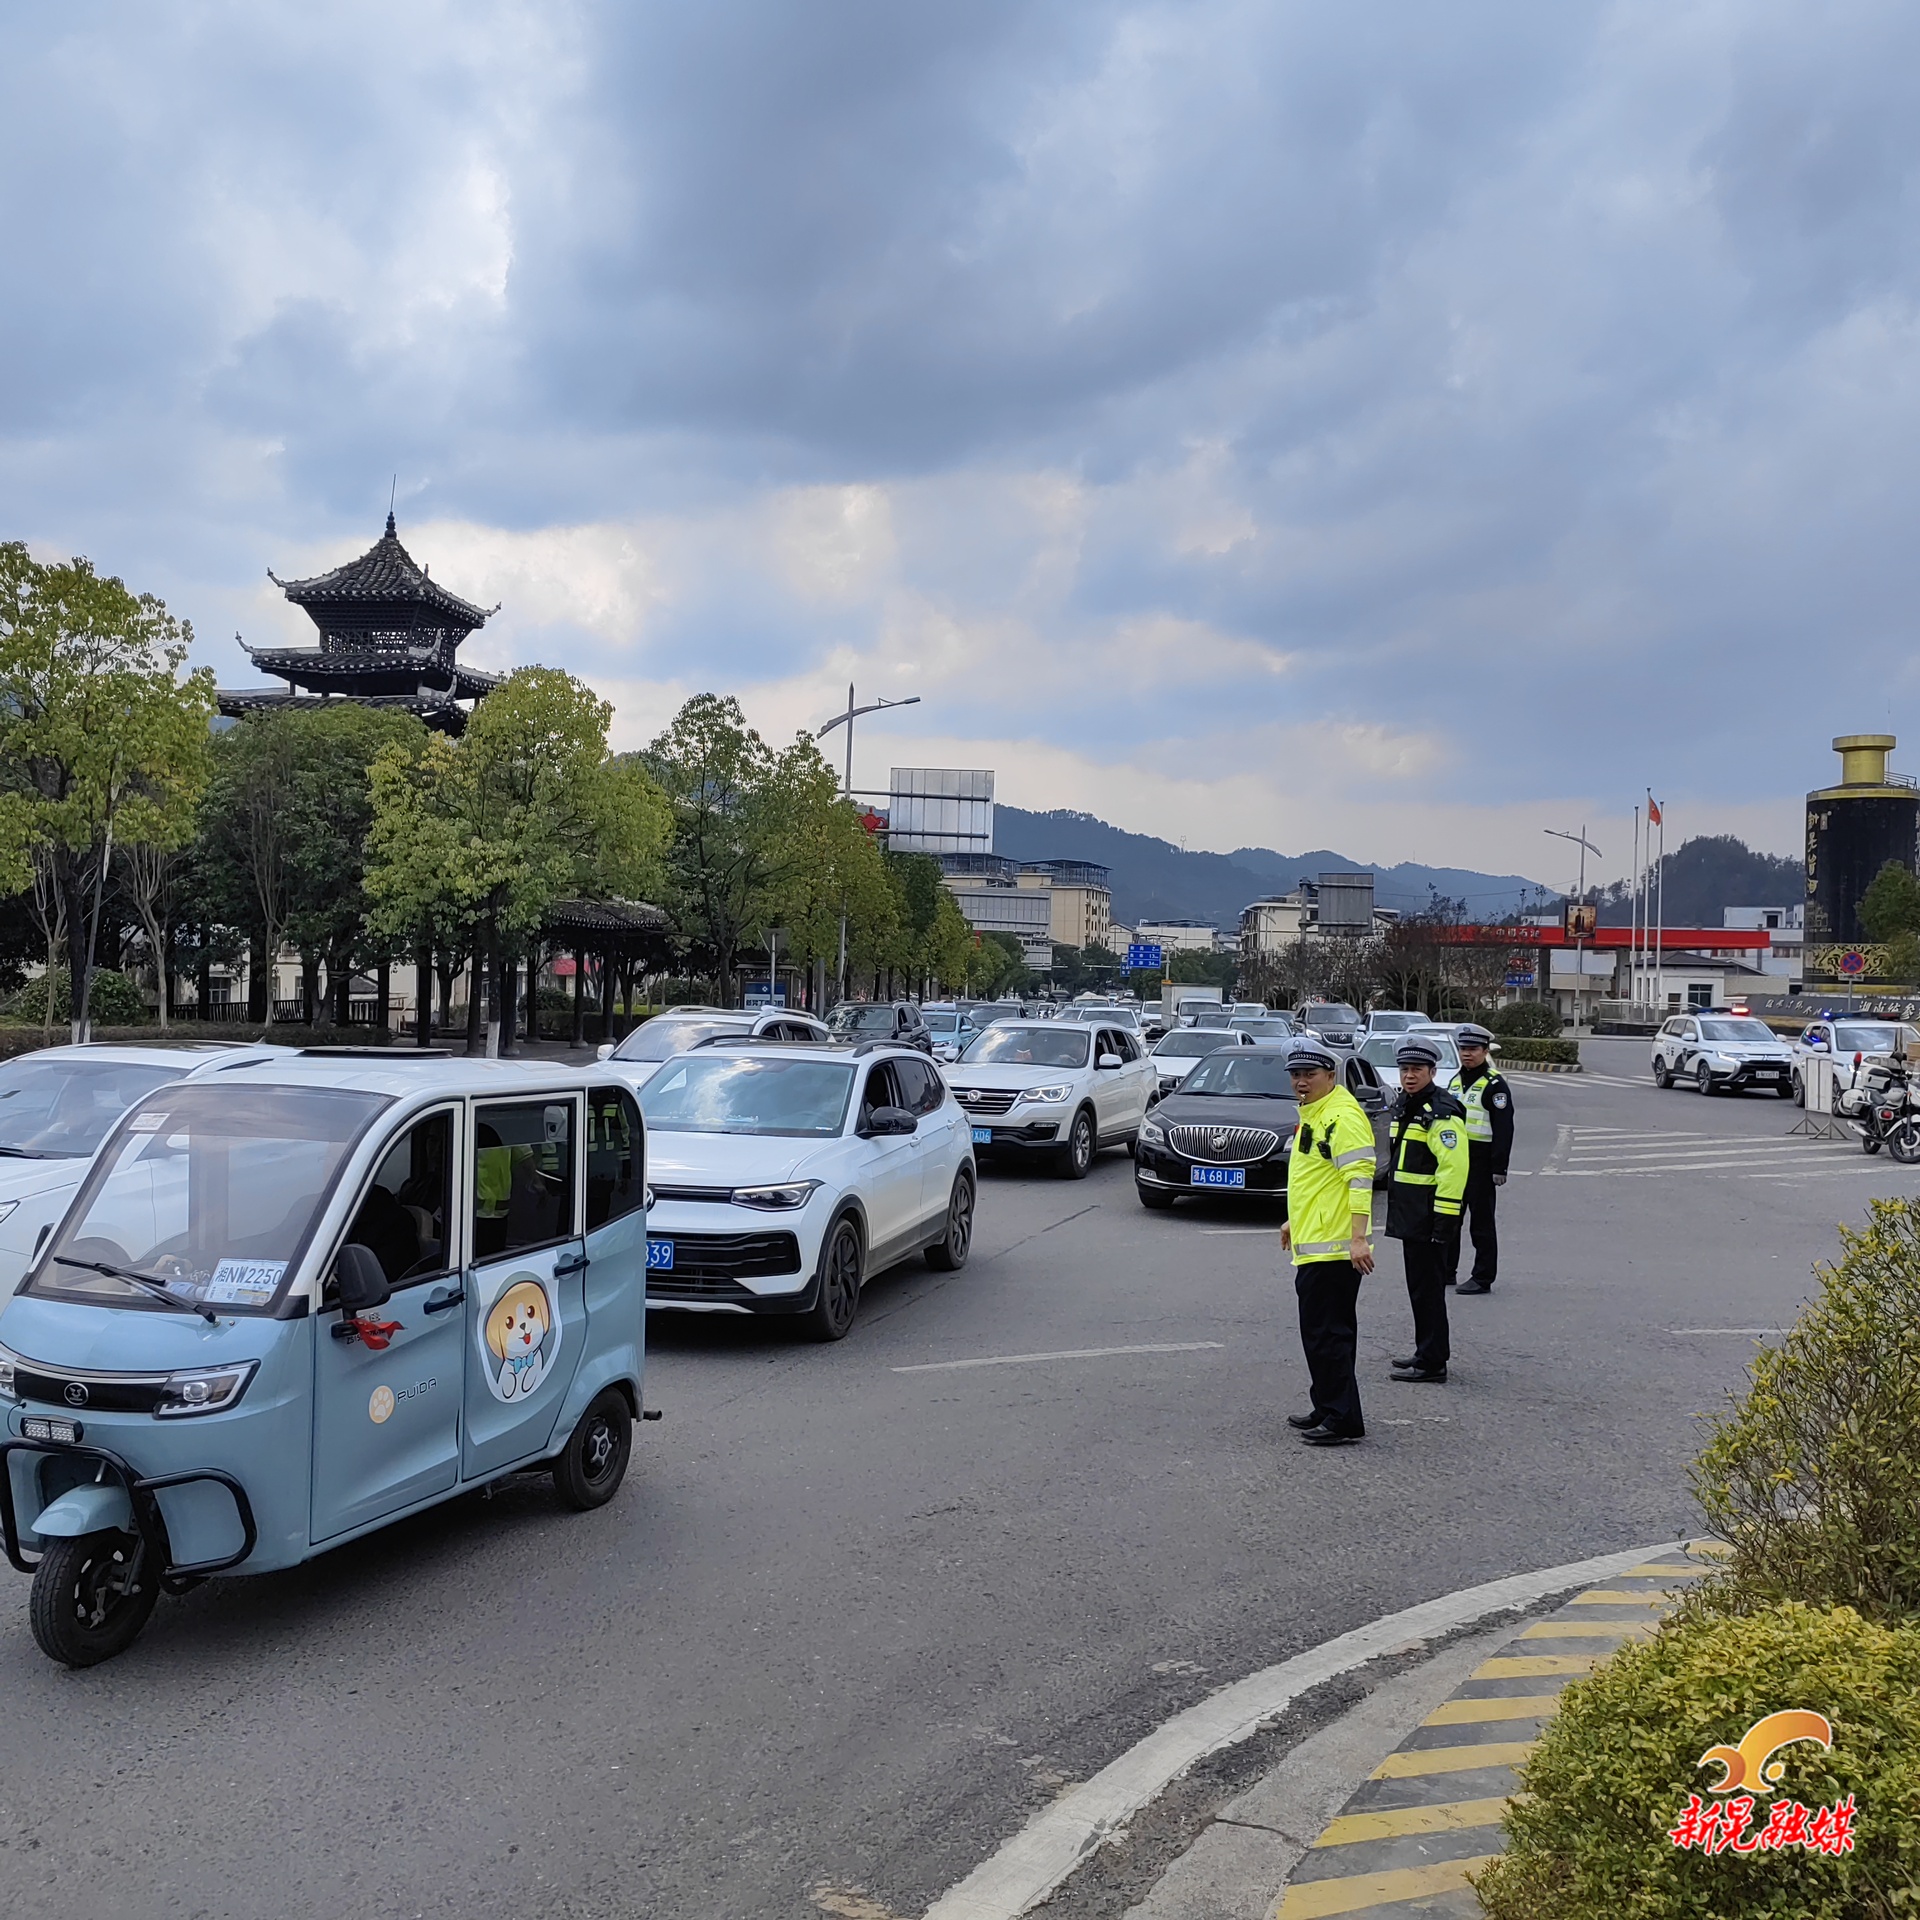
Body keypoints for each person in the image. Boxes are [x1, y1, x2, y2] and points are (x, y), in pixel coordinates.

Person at [1278, 1036, 1377, 1446]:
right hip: (1316, 1241)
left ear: (1331, 1076)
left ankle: (1342, 1417)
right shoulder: (1315, 1113)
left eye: (1310, 1074)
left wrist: (1359, 1238)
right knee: (1319, 1334)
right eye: (1296, 1074)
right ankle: (1327, 1404)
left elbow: (1359, 1179)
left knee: (1329, 1335)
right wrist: (1293, 1222)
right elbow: (1316, 1181)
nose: (1301, 1081)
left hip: (1334, 1249)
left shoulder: (1342, 1117)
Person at [1384, 1036, 1468, 1383]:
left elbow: (1453, 1169)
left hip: (1429, 1218)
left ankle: (1433, 1362)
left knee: (1429, 1292)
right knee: (1419, 1290)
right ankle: (1425, 1351)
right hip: (1412, 1215)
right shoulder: (1408, 1104)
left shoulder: (1440, 1112)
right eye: (1405, 1069)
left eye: (1417, 1069)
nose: (1409, 1075)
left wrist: (1445, 1222)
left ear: (1432, 1072)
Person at [1448, 1022, 1513, 1294]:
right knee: (1450, 1217)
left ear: (1485, 1051)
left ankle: (1483, 1277)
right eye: (1463, 1048)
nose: (1467, 1053)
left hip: (1481, 1161)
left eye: (1473, 1049)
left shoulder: (1495, 1085)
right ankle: (1447, 1270)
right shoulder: (1455, 1081)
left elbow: (1503, 1128)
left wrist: (1499, 1167)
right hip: (1455, 1161)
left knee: (1481, 1222)